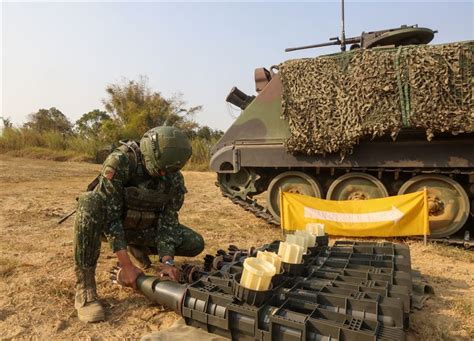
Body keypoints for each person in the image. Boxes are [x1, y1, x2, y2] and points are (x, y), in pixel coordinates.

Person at [73, 126, 205, 323]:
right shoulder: (121, 162)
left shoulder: (173, 176)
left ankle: (138, 247)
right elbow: (111, 217)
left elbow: (168, 221)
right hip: (111, 227)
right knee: (90, 202)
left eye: (167, 172)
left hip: (144, 227)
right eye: (159, 170)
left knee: (194, 242)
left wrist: (167, 262)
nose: (163, 175)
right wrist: (126, 266)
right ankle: (85, 288)